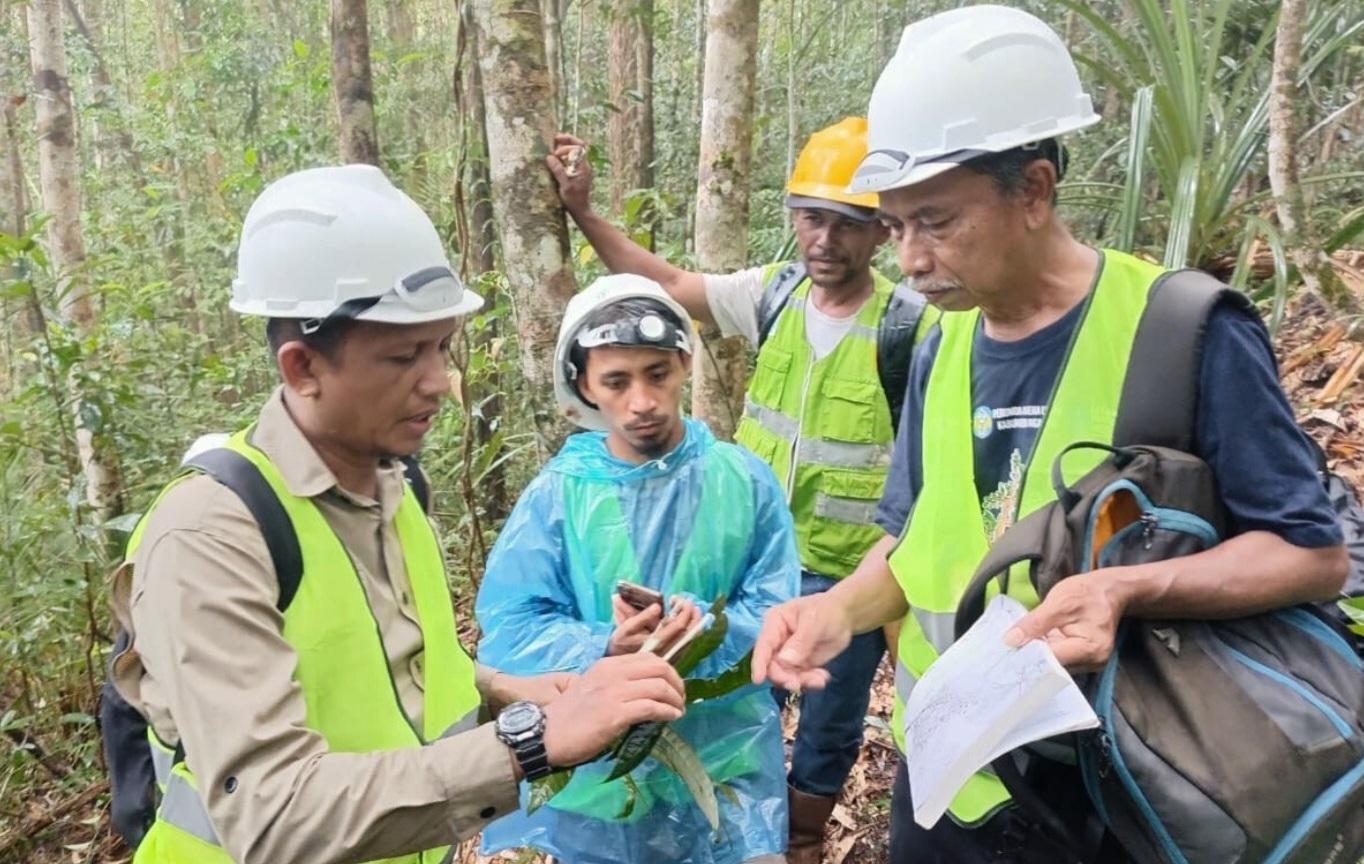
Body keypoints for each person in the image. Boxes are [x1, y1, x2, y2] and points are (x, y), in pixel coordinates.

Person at [750, 6, 1350, 863]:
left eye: (937, 221)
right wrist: (833, 610)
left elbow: (1311, 555)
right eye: (896, 225)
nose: (909, 261)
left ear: (1032, 190)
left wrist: (1126, 591)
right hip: (950, 784)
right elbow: (919, 540)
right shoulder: (940, 343)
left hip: (1121, 793)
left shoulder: (1180, 331)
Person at [107, 165, 687, 864]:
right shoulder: (210, 536)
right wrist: (533, 742)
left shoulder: (395, 484)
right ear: (302, 369)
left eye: (442, 347)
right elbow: (273, 815)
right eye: (404, 355)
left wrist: (516, 695)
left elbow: (396, 672)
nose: (441, 381)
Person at [548, 118, 937, 862]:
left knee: (831, 718)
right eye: (812, 218)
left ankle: (800, 838)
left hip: (845, 573)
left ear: (882, 231)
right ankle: (722, 827)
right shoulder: (776, 295)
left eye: (848, 223)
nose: (825, 239)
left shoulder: (910, 323)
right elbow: (667, 287)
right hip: (748, 560)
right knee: (735, 700)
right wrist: (584, 212)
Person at [474, 274, 799, 864]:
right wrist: (606, 647)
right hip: (598, 785)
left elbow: (777, 608)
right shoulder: (558, 497)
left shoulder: (744, 481)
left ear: (683, 362)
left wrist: (701, 639)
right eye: (616, 382)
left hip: (726, 764)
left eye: (657, 374)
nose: (642, 402)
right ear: (585, 387)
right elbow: (511, 628)